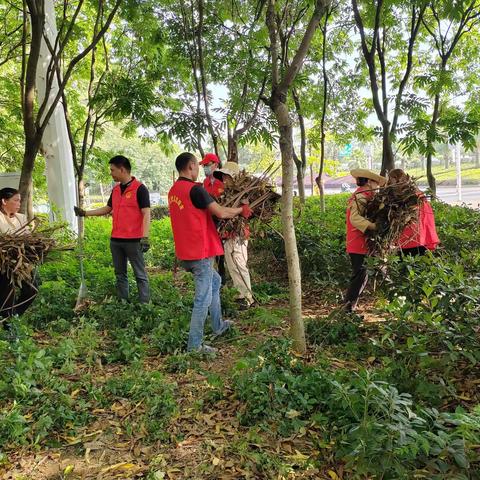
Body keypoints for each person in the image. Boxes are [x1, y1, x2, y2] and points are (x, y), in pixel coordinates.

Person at [168, 152, 251, 353]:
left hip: (185, 253)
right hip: (200, 253)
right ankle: (194, 345)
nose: (199, 170)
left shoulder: (173, 191)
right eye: (197, 166)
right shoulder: (195, 190)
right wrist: (242, 210)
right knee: (202, 298)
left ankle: (218, 326)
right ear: (190, 167)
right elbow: (221, 212)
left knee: (215, 281)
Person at [74, 155, 151, 303]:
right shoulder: (115, 190)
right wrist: (85, 213)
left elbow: (146, 213)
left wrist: (145, 237)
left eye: (113, 170)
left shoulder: (140, 189)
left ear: (122, 169)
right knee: (120, 274)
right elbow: (108, 208)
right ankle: (123, 303)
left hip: (134, 240)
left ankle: (144, 306)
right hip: (116, 240)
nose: (111, 173)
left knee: (140, 274)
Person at [344, 168, 386, 312]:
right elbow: (354, 218)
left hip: (359, 242)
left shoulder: (364, 195)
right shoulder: (361, 196)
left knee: (362, 275)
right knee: (359, 276)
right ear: (368, 182)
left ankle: (349, 307)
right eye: (375, 183)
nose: (377, 187)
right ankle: (348, 308)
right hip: (358, 242)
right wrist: (373, 226)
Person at [214, 162, 254, 309]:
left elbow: (247, 213)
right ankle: (240, 295)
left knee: (239, 263)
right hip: (227, 235)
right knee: (232, 266)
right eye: (223, 177)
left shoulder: (243, 195)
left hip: (239, 235)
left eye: (227, 176)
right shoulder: (225, 195)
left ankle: (248, 298)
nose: (224, 180)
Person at [0, 188, 38, 319]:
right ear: (4, 201)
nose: (19, 204)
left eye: (20, 201)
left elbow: (28, 238)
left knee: (33, 289)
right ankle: (8, 324)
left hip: (22, 263)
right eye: (15, 200)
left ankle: (14, 315)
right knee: (7, 295)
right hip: (4, 265)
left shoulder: (21, 218)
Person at [387, 168, 439, 255]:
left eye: (390, 179)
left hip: (405, 238)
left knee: (404, 264)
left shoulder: (398, 196)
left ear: (393, 178)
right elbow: (427, 216)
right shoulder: (418, 194)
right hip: (420, 236)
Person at [200, 152, 227, 284]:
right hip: (210, 222)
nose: (205, 167)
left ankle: (223, 278)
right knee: (214, 250)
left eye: (207, 165)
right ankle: (218, 278)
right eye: (204, 165)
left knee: (222, 251)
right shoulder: (204, 183)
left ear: (215, 165)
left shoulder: (222, 182)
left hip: (223, 221)